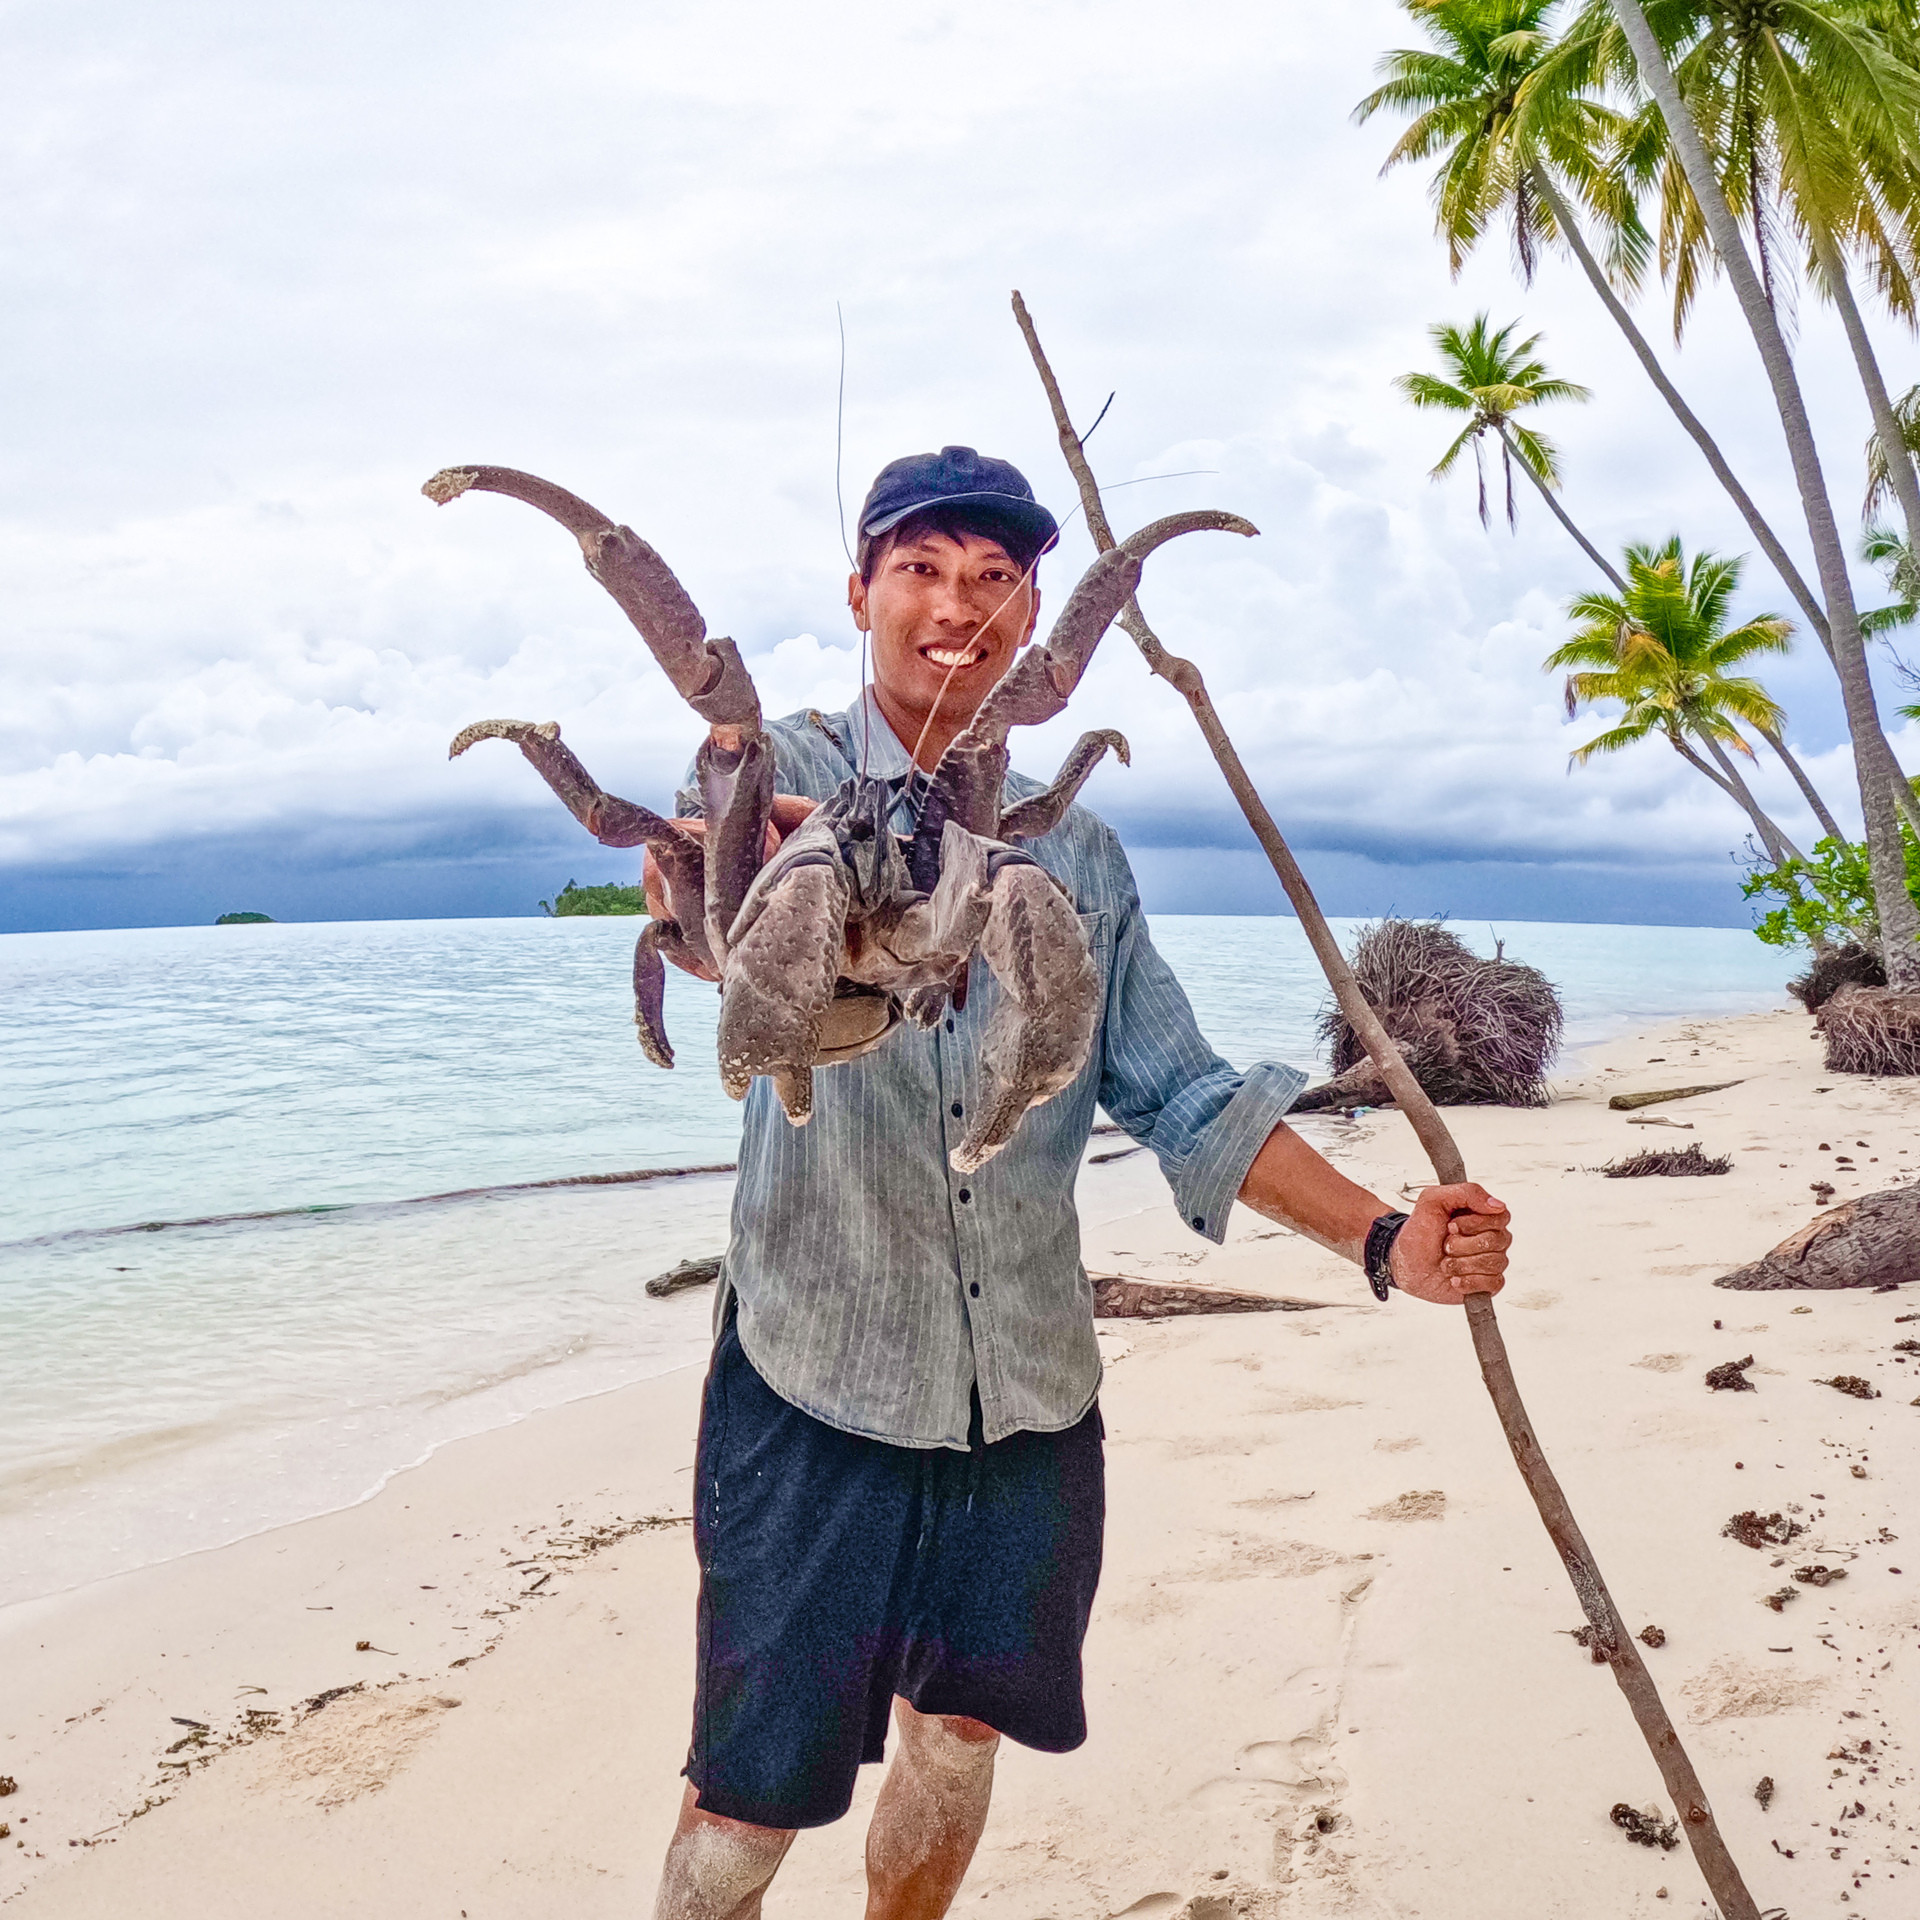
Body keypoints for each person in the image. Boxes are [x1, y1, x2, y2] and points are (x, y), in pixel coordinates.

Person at [647, 446, 1511, 1919]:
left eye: (995, 579)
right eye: (921, 569)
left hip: (1028, 1393)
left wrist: (1384, 1240)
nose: (956, 607)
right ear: (859, 591)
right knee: (748, 1795)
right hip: (813, 1380)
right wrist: (721, 892)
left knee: (961, 1735)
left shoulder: (1081, 858)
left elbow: (1179, 1093)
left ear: (1035, 614)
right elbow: (705, 913)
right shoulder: (774, 771)